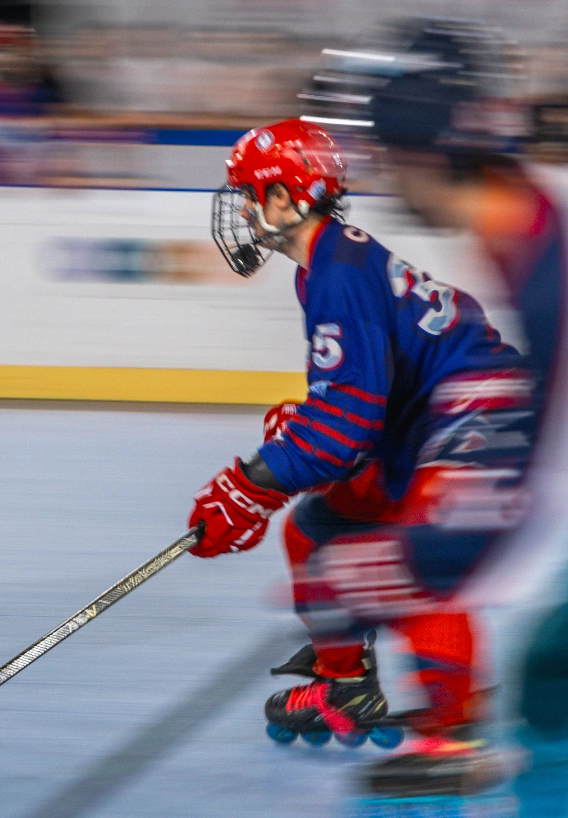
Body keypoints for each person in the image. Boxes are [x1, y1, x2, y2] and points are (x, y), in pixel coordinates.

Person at [190, 116, 525, 797]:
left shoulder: (336, 271)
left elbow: (344, 426)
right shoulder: (327, 264)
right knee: (315, 529)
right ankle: (344, 684)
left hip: (477, 413)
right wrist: (292, 447)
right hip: (434, 419)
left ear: (286, 197)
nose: (244, 211)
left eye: (250, 194)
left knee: (415, 557)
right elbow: (353, 404)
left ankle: (455, 735)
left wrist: (252, 481)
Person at [359, 20, 568, 814]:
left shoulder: (536, 261)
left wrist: (423, 557)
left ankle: (456, 735)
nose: (385, 178)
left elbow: (538, 472)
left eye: (387, 158)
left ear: (423, 154)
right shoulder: (521, 214)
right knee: (547, 691)